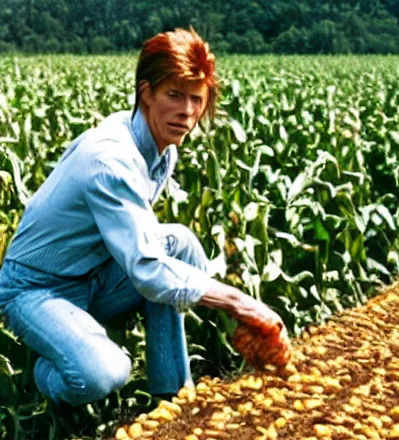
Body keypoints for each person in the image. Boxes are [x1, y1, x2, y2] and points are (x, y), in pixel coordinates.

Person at [0, 28, 286, 406]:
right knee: (103, 373)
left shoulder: (162, 148)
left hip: (96, 274)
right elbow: (148, 269)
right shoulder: (111, 159)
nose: (186, 112)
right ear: (146, 93)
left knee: (182, 245)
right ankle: (44, 370)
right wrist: (241, 303)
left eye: (196, 99)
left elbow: (146, 250)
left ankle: (171, 394)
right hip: (37, 288)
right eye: (174, 95)